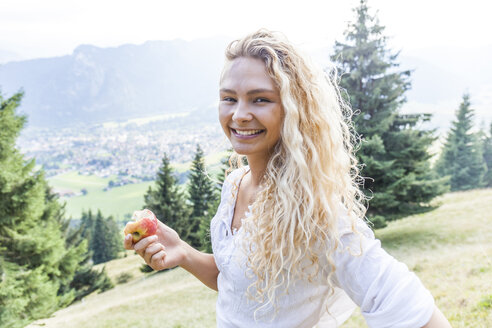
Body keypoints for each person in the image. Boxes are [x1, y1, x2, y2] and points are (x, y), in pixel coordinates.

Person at [124, 30, 451, 327]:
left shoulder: (315, 213)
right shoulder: (235, 184)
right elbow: (238, 286)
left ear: (294, 109)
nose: (239, 114)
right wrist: (182, 252)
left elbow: (410, 307)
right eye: (229, 98)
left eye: (260, 99)